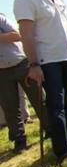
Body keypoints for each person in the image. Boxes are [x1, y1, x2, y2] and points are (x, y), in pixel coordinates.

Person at [13, 0, 67, 164]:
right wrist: (33, 64)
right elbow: (25, 34)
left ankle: (66, 139)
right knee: (56, 105)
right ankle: (62, 152)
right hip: (48, 60)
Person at [0, 13, 49, 154]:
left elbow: (17, 35)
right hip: (1, 72)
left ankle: (50, 129)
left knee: (39, 98)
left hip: (21, 64)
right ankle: (19, 140)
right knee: (9, 107)